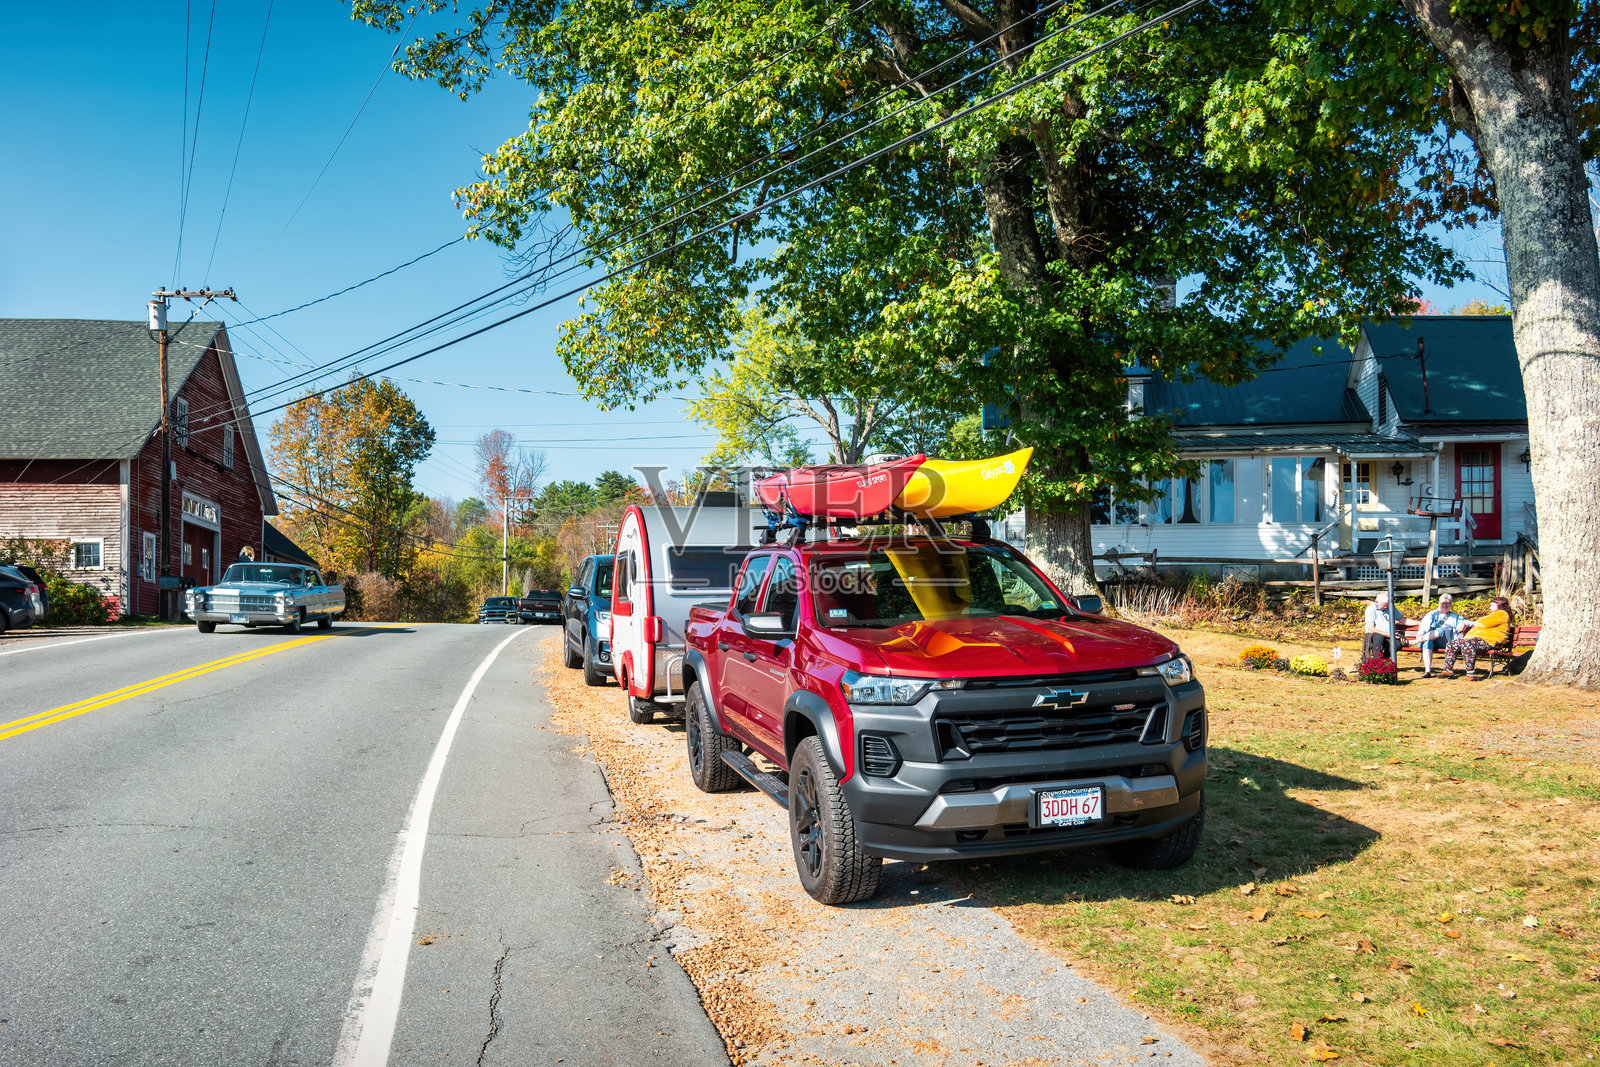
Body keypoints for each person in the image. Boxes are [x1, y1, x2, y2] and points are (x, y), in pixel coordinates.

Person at [1441, 596, 1514, 679]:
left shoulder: (1501, 614)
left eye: (1492, 605)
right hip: (1479, 640)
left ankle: (1470, 674)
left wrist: (1470, 624)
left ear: (1500, 606)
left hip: (1490, 640)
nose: (1490, 607)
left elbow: (1485, 623)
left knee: (1467, 643)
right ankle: (1447, 670)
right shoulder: (1495, 614)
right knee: (1451, 644)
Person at [1415, 593, 1466, 677]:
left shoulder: (1455, 617)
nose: (1445, 605)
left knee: (1441, 630)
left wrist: (1463, 623)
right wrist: (1420, 635)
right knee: (1428, 641)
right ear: (1439, 603)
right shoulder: (1432, 614)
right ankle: (1427, 671)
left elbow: (1470, 622)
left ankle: (1413, 642)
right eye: (1443, 603)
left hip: (1448, 643)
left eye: (1448, 603)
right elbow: (1424, 626)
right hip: (1430, 641)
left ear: (1450, 605)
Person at [1362, 592, 1410, 662]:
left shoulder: (1390, 608)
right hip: (1375, 635)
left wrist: (1420, 623)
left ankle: (1384, 660)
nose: (1385, 607)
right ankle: (1377, 662)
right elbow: (1371, 629)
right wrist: (1389, 635)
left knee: (1397, 644)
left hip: (1389, 635)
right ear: (1377, 602)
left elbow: (1402, 619)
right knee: (1379, 638)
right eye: (1383, 605)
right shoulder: (1370, 609)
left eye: (1386, 605)